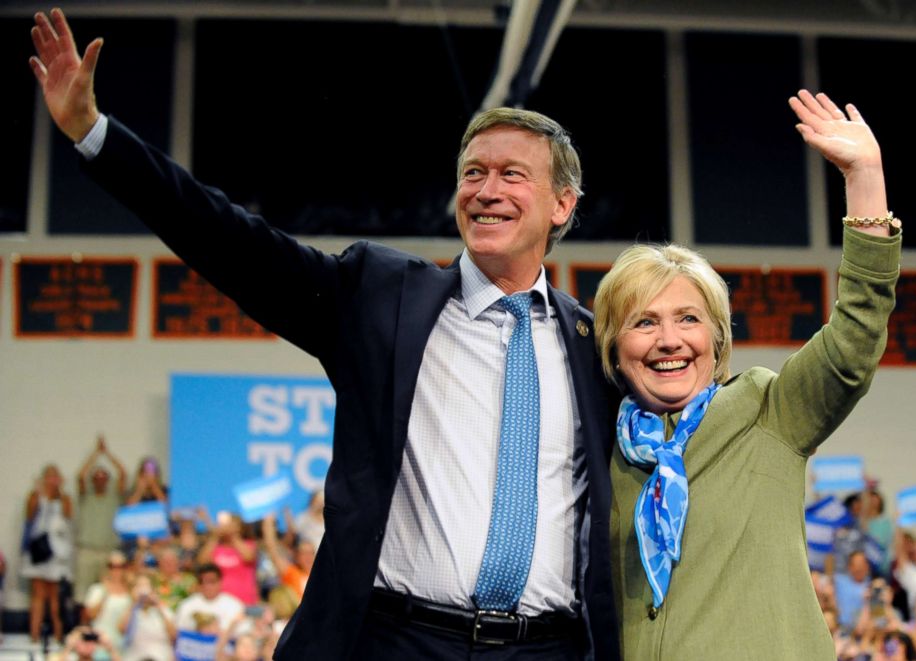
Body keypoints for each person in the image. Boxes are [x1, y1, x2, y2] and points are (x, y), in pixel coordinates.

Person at [29, 8, 619, 660]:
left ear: (562, 204)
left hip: (550, 648)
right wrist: (94, 135)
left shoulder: (597, 344)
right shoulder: (379, 297)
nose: (486, 189)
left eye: (513, 174)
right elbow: (230, 240)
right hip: (397, 641)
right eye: (473, 171)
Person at [595, 90, 901, 658]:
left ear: (717, 338)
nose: (668, 340)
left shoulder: (769, 412)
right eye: (644, 322)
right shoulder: (598, 452)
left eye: (688, 319)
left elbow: (855, 338)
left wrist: (865, 178)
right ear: (615, 348)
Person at [22, 463, 75, 642]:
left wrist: (58, 491)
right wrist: (39, 493)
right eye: (49, 476)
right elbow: (29, 515)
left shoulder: (65, 498)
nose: (52, 480)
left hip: (57, 552)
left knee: (55, 596)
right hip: (39, 550)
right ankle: (34, 634)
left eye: (55, 476)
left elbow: (68, 516)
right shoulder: (35, 496)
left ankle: (59, 634)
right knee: (38, 595)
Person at [75, 434, 128, 603]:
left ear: (107, 480)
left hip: (108, 550)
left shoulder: (114, 497)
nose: (100, 480)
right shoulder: (86, 496)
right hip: (87, 550)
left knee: (106, 592)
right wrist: (96, 454)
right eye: (96, 477)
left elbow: (123, 473)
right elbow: (80, 476)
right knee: (83, 595)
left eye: (103, 476)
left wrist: (107, 453)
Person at [174, 563, 244, 635]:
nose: (207, 586)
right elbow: (179, 632)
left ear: (220, 582)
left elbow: (240, 634)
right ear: (198, 584)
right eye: (202, 582)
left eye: (211, 582)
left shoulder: (234, 605)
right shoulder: (187, 605)